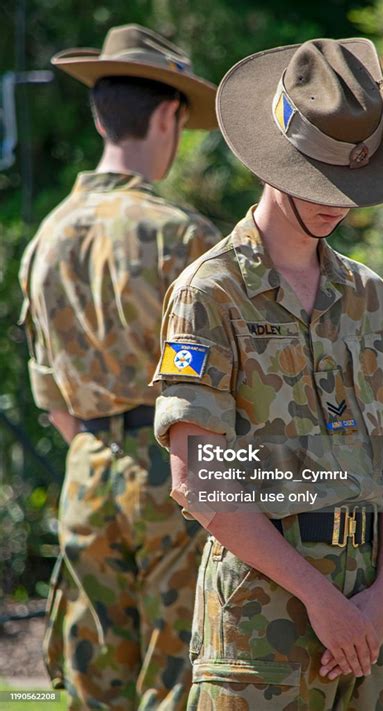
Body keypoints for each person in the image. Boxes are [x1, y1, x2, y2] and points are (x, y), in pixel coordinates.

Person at [152, 37, 383, 709]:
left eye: (351, 186)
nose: (338, 203)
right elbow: (195, 478)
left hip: (365, 621)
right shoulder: (209, 292)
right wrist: (322, 599)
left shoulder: (369, 294)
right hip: (258, 635)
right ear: (275, 158)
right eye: (317, 182)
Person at [19, 24, 221, 711]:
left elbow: (50, 395)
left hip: (87, 469)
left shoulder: (45, 238)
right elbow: (219, 380)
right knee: (180, 678)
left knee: (92, 685)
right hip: (178, 468)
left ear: (100, 115)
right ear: (167, 116)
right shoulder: (182, 233)